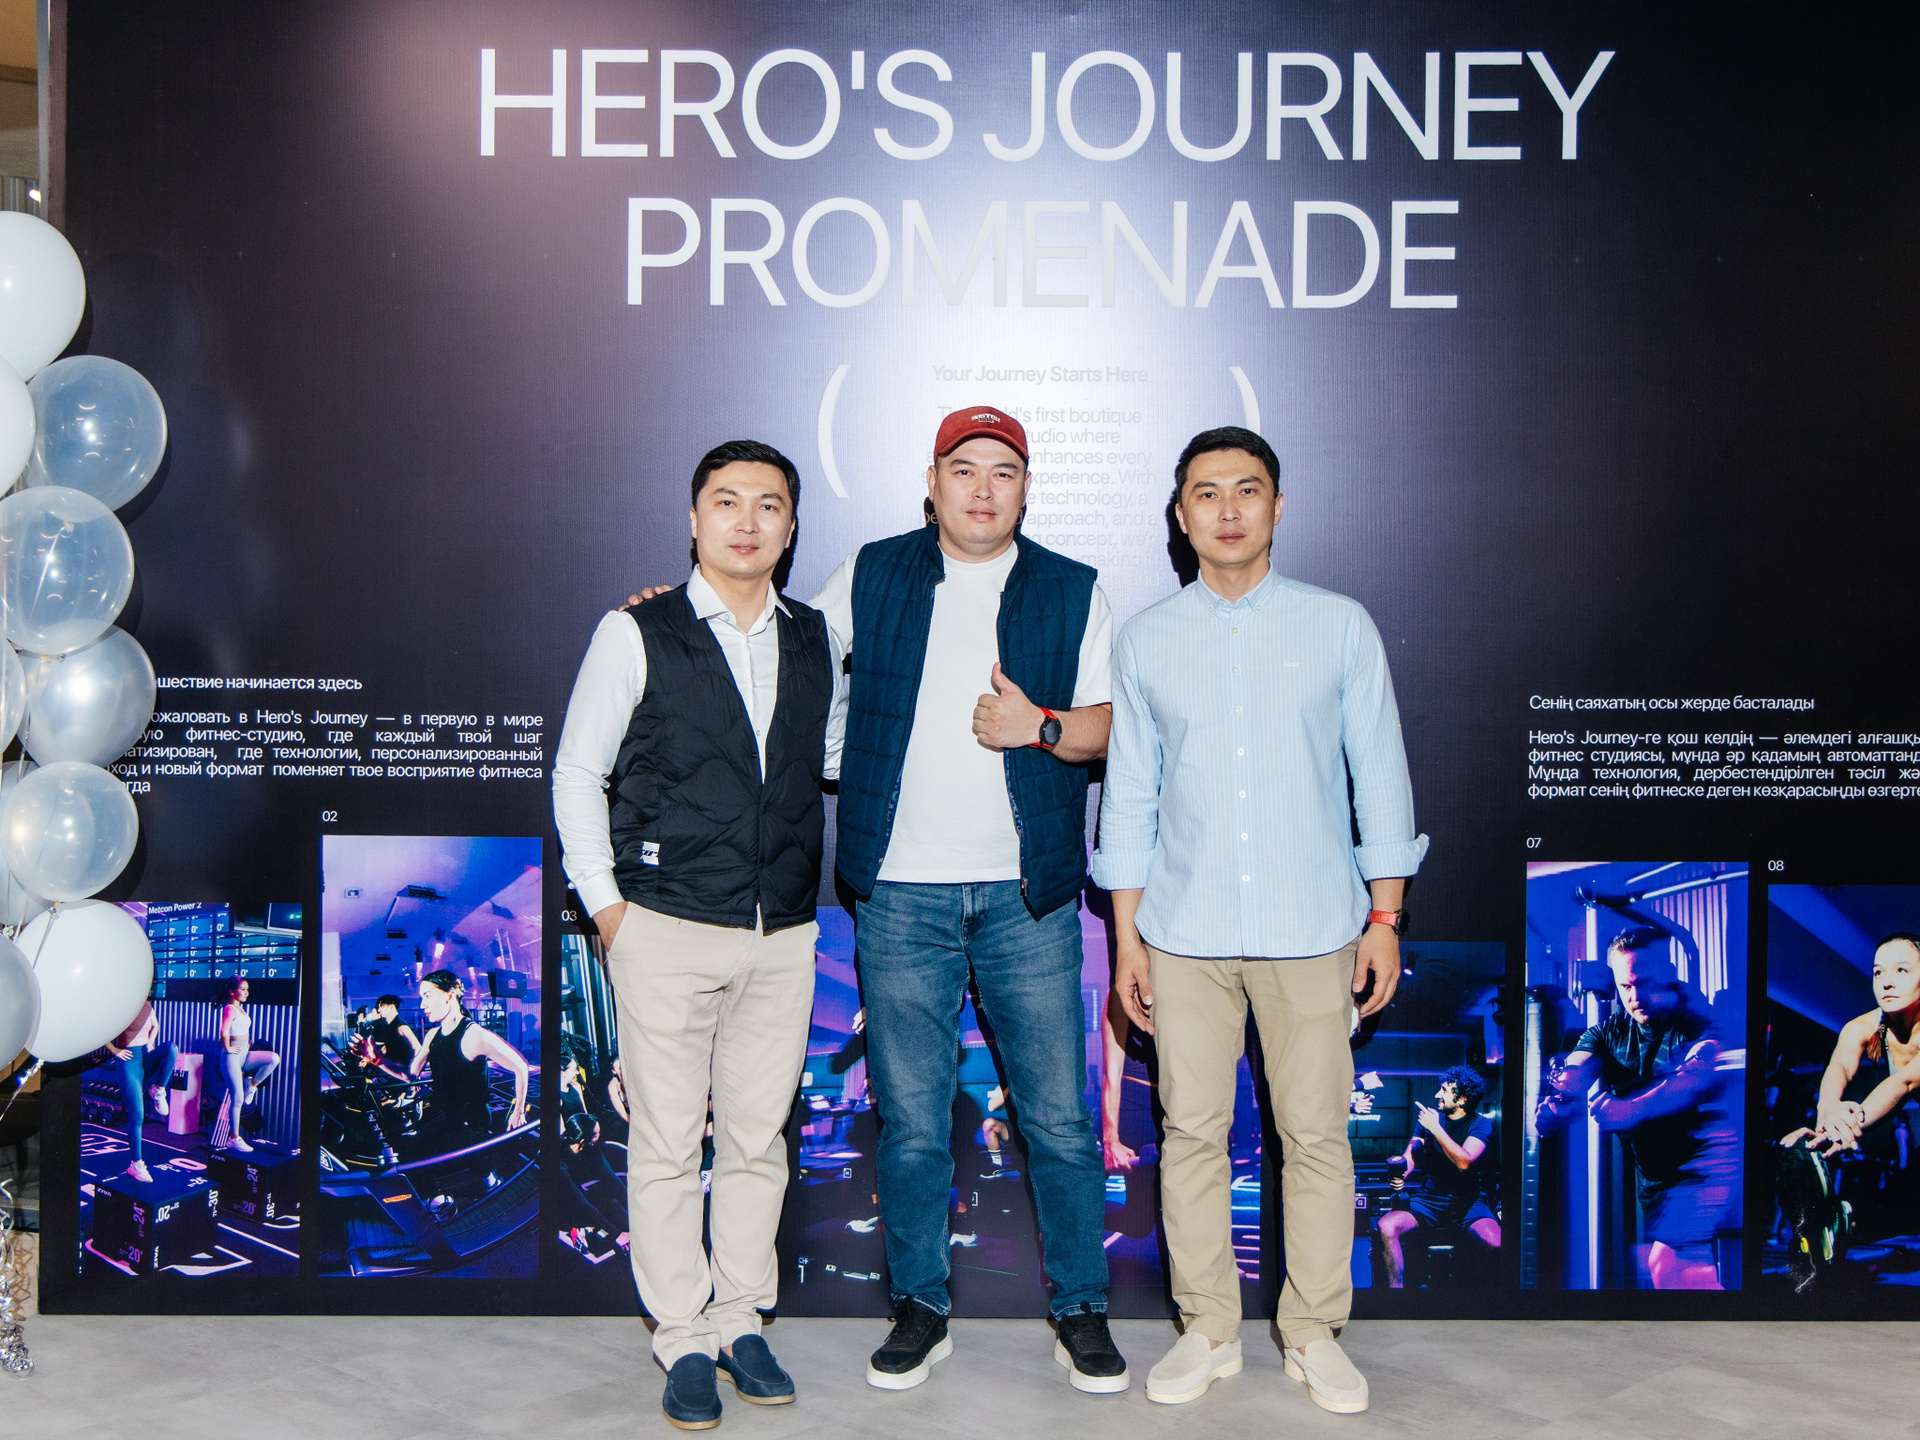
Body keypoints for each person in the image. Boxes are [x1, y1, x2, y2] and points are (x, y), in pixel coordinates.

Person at [1096, 425, 1426, 1413]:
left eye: (1247, 489)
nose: (1228, 509)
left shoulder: (1339, 627)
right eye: (1207, 492)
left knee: (1316, 1137)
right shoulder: (1148, 639)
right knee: (1191, 1136)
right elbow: (1130, 801)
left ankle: (1315, 1332)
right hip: (1184, 934)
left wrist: (1386, 916)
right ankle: (1207, 1330)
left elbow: (1381, 776)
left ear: (1278, 507)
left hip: (1315, 929)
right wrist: (1127, 940)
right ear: (1180, 514)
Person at [817, 405, 1124, 1394]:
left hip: (1028, 897)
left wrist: (1040, 726)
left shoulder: (1071, 587)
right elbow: (788, 658)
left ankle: (1080, 1307)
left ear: (1026, 488)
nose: (983, 488)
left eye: (1003, 471)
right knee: (912, 1124)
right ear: (932, 480)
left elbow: (1111, 726)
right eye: (964, 468)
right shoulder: (872, 572)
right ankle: (919, 1306)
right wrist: (686, 609)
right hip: (899, 894)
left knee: (1060, 1122)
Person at [554, 439, 844, 1428]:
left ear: (791, 527)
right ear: (693, 519)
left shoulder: (814, 638)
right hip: (664, 925)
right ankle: (680, 1336)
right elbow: (577, 772)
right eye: (727, 501)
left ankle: (739, 1320)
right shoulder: (636, 632)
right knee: (670, 1144)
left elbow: (828, 755)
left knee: (760, 1142)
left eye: (768, 504)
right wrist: (608, 910)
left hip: (783, 932)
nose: (747, 521)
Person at [1534, 926, 1737, 1290]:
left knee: (1666, 1265)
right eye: (1625, 986)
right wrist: (1557, 1104)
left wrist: (1632, 1108)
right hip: (1656, 1179)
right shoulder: (1607, 1032)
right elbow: (1576, 1072)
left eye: (1642, 983)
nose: (1634, 996)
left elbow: (1697, 1074)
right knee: (1689, 1276)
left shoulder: (1697, 1018)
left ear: (1666, 973)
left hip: (1707, 1165)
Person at [1776, 932, 1920, 1291]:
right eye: (1878, 972)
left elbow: (1903, 1083)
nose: (1886, 981)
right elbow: (1839, 1067)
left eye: (1901, 970)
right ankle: (1843, 1219)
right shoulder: (1862, 1027)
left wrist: (1846, 1127)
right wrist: (1827, 1117)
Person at [1375, 1066, 1500, 1287]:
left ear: (1462, 1099)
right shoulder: (1429, 1122)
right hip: (1428, 1201)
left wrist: (1435, 1129)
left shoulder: (1480, 1124)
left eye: (1444, 1091)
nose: (1436, 1095)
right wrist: (1400, 1172)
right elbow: (1409, 1157)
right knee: (1387, 1226)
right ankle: (1396, 1294)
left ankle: (1475, 1294)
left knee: (1494, 1242)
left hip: (1469, 1202)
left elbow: (1464, 1162)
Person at [409, 969, 530, 1150]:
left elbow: (520, 1067)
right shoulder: (432, 1035)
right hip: (441, 1116)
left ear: (449, 996)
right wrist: (378, 1060)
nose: (422, 1004)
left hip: (468, 1125)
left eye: (427, 996)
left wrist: (518, 1111)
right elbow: (410, 1074)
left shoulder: (475, 1036)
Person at [108, 998, 178, 1184]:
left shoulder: (147, 1005)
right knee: (137, 1116)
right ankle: (136, 1164)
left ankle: (158, 1090)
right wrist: (115, 1050)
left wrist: (151, 1042)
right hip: (129, 1062)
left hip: (145, 1057)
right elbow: (99, 1033)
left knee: (171, 1048)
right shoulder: (121, 1005)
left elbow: (155, 1025)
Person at [214, 977, 280, 1153]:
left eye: (247, 990)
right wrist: (228, 1047)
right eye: (242, 989)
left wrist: (246, 1043)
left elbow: (240, 1029)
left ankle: (251, 1085)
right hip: (231, 1058)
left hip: (244, 1054)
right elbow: (223, 1032)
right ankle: (233, 1138)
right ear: (232, 991)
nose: (246, 993)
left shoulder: (241, 1010)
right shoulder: (229, 1009)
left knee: (273, 1058)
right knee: (237, 1099)